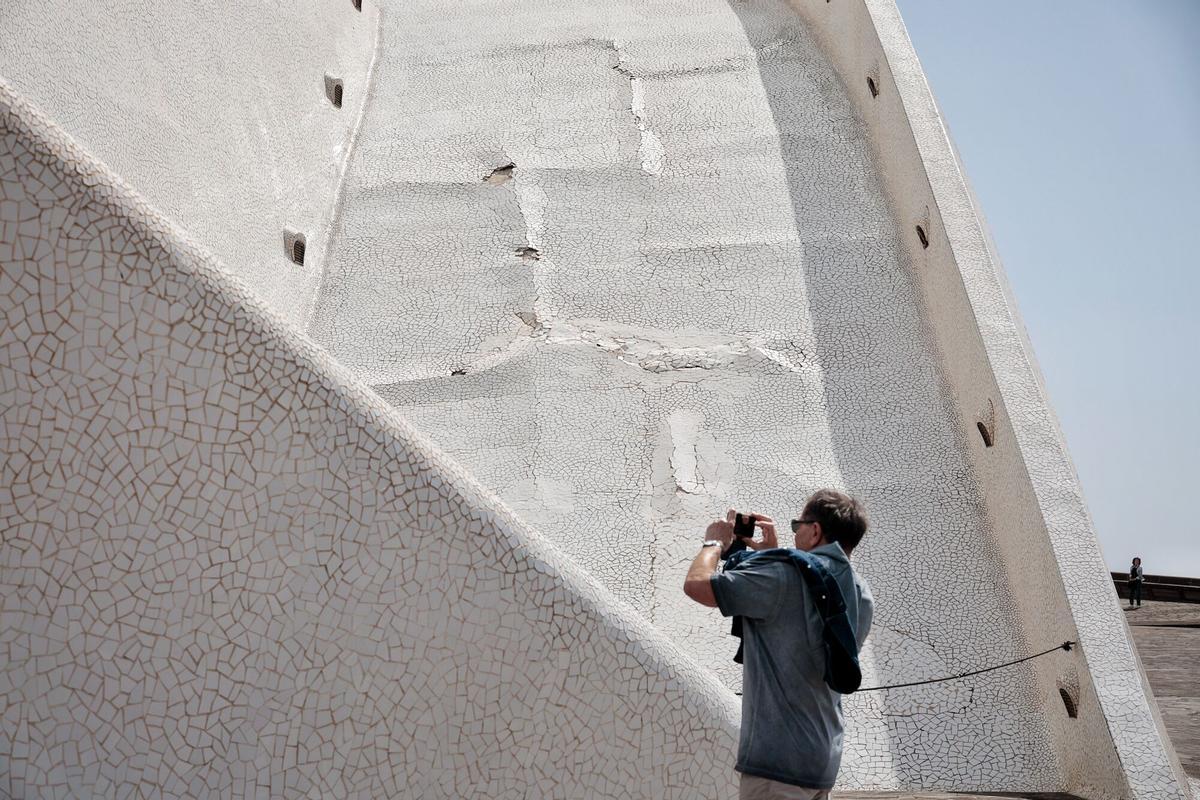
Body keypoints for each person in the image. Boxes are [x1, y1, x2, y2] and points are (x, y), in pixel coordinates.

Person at [683, 489, 874, 800]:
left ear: (815, 531)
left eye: (798, 524)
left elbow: (697, 585)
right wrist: (767, 558)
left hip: (778, 765)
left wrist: (715, 542)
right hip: (823, 760)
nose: (795, 530)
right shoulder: (862, 594)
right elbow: (799, 630)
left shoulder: (782, 575)